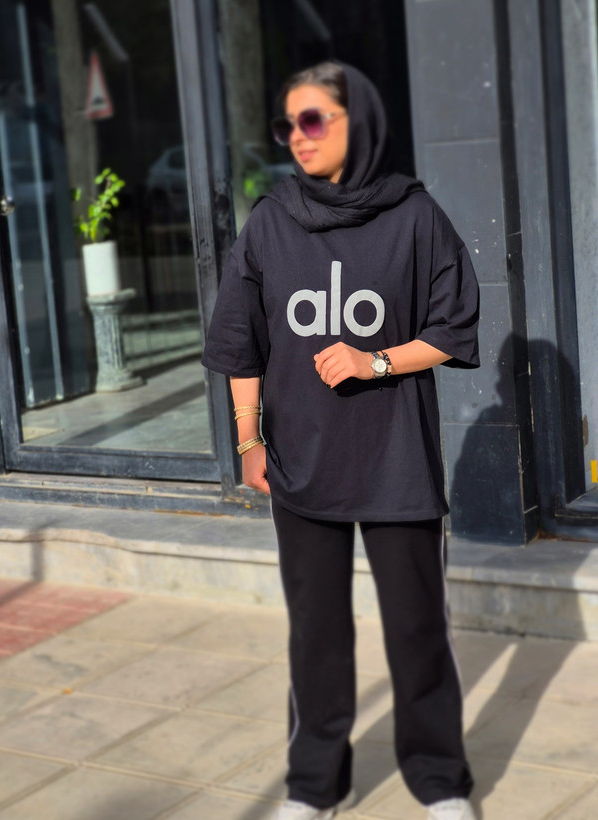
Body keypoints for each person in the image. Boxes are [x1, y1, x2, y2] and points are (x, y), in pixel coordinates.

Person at [201, 60, 480, 820]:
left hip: (397, 462)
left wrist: (373, 360)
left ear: (360, 122)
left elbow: (452, 327)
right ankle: (315, 785)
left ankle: (439, 781)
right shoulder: (270, 221)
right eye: (286, 124)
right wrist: (249, 442)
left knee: (417, 629)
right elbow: (239, 342)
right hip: (302, 464)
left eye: (313, 119)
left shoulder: (415, 215)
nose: (297, 136)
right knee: (315, 634)